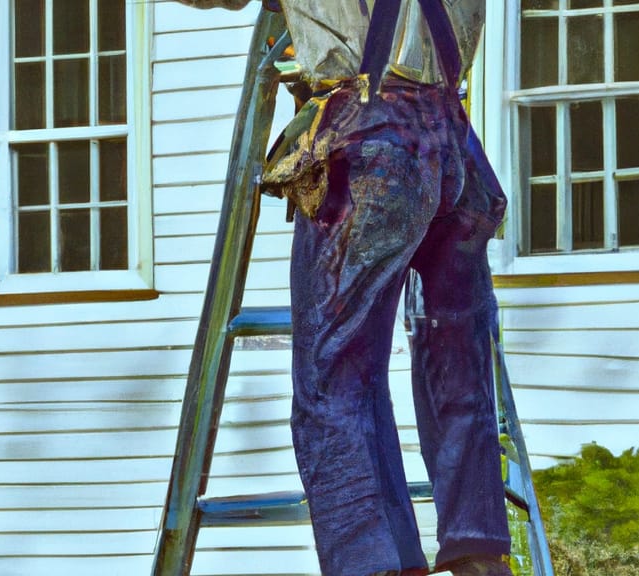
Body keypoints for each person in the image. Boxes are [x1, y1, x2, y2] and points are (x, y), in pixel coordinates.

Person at [171, 2, 512, 575]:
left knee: (335, 378)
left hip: (371, 149)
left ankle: (372, 563)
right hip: (455, 154)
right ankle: (477, 549)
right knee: (458, 361)